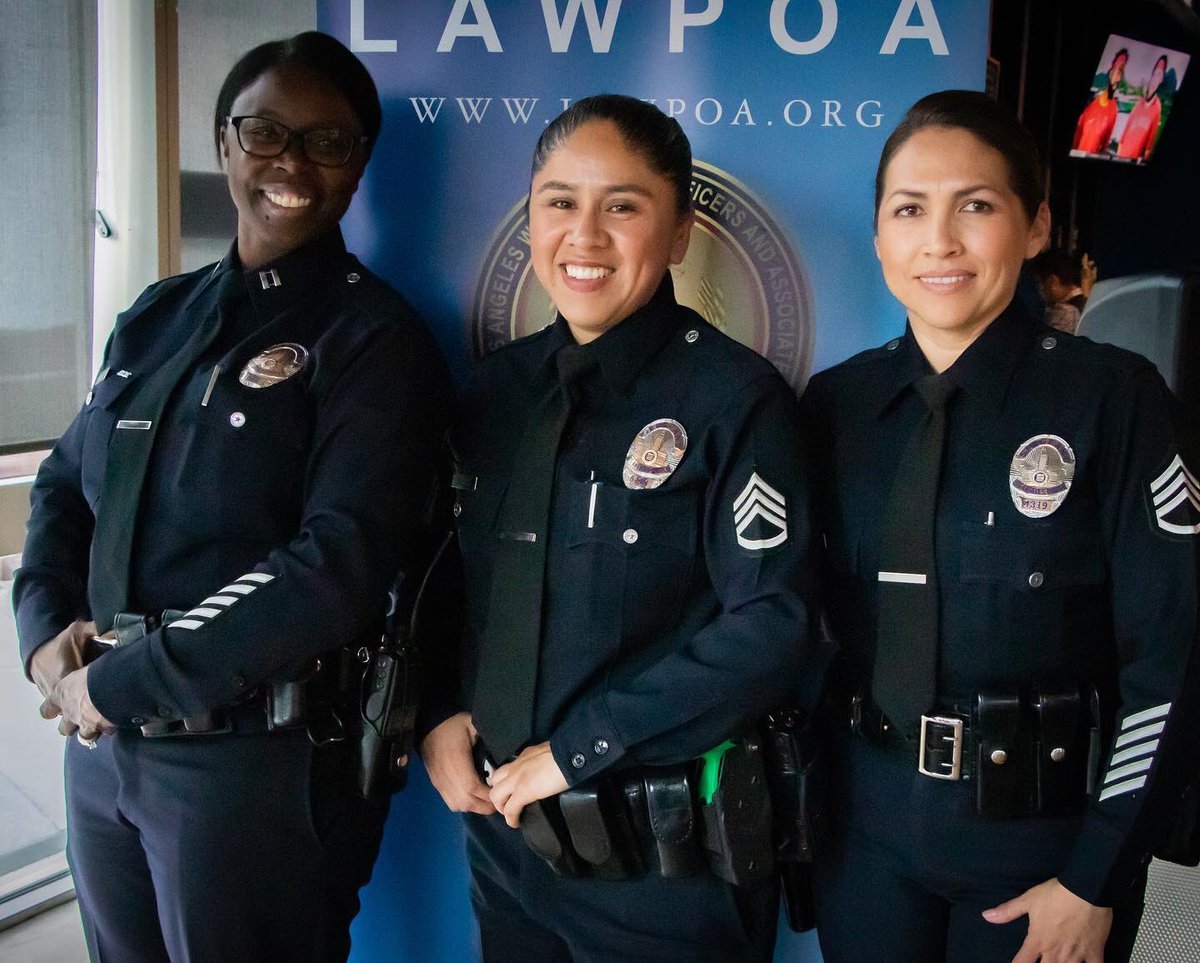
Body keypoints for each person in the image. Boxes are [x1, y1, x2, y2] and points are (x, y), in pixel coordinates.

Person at [13, 31, 451, 962]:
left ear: (359, 164)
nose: (291, 162)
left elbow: (335, 565)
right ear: (224, 143)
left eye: (326, 141)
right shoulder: (159, 313)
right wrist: (45, 631)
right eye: (265, 131)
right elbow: (64, 485)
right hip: (104, 749)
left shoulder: (373, 341)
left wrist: (123, 680)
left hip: (249, 769)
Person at [803, 90, 1199, 962]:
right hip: (866, 831)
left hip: (1040, 834)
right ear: (879, 237)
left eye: (975, 206)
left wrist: (1097, 875)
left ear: (1034, 225)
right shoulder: (836, 405)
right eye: (910, 210)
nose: (939, 241)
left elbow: (1173, 654)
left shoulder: (1112, 396)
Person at [420, 94, 816, 960]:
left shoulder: (732, 398)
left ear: (678, 236)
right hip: (505, 842)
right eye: (561, 202)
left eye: (623, 206)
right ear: (530, 219)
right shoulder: (496, 394)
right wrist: (440, 708)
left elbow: (773, 624)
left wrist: (577, 751)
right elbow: (456, 582)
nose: (585, 235)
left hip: (661, 866)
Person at [1073, 48, 1129, 155]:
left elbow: (1104, 145)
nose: (1119, 69)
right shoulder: (1092, 99)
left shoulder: (1113, 109)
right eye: (1117, 64)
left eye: (1122, 68)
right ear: (1111, 70)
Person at [1116, 54, 1168, 162]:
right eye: (1155, 73)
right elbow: (1126, 129)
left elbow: (1150, 143)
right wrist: (1118, 152)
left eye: (1160, 75)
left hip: (1134, 159)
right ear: (1152, 74)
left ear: (1162, 79)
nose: (1156, 77)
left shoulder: (1157, 108)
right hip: (1121, 154)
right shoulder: (1139, 102)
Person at [1031, 248, 1089, 333]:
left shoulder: (1066, 312)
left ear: (1052, 281)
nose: (1039, 290)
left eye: (1039, 282)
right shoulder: (1087, 303)